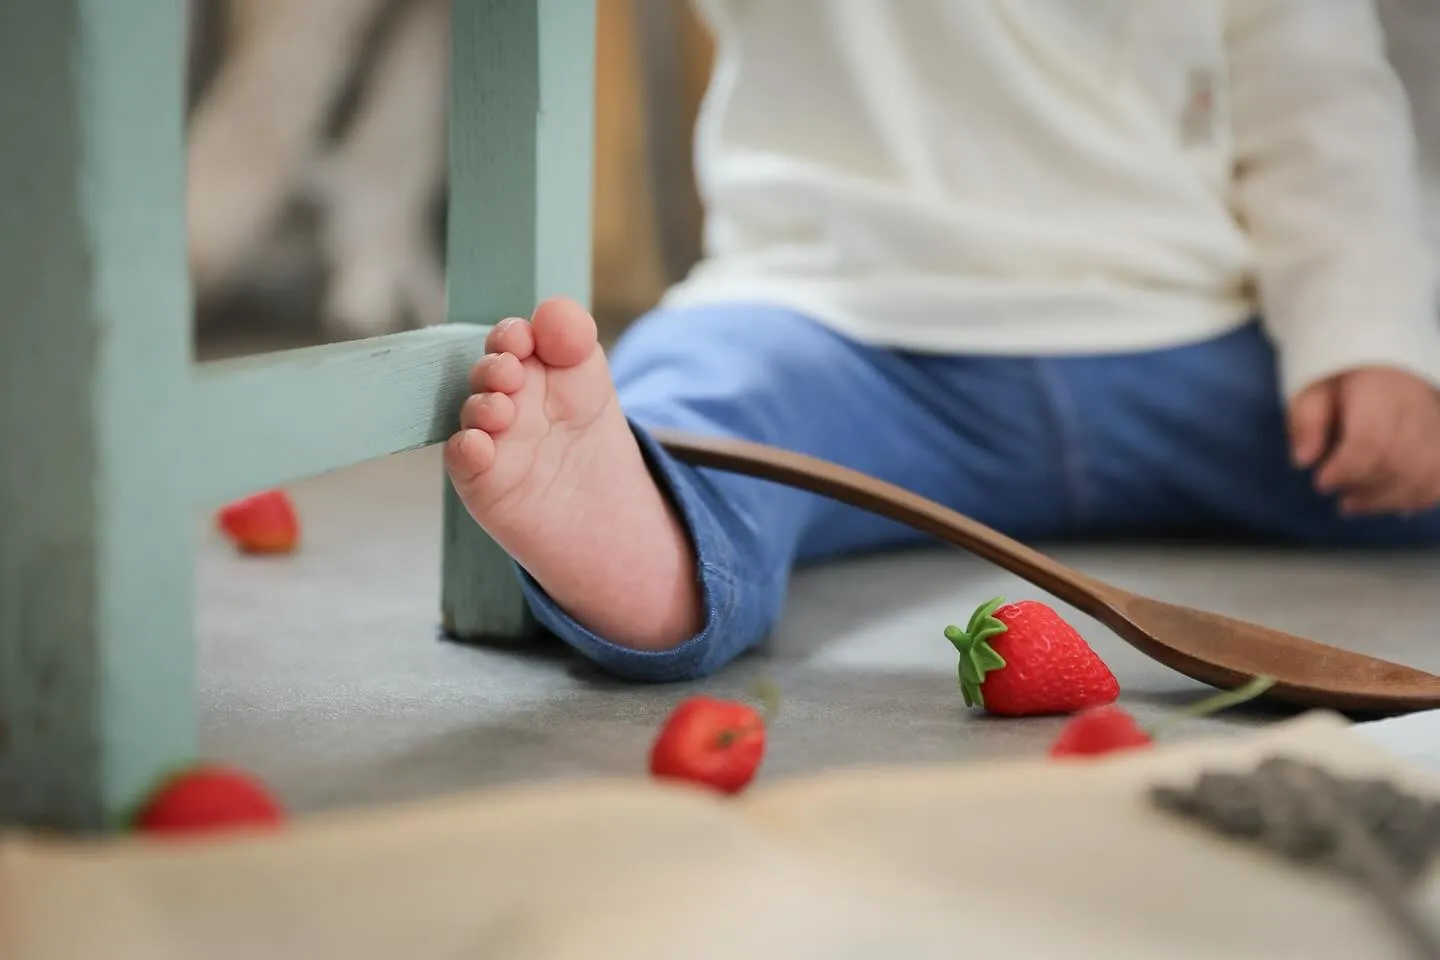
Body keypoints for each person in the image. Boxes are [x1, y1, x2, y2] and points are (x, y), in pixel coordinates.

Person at [442, 0, 1440, 682]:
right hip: (840, 315)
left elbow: (1313, 83)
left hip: (1194, 327)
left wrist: (1369, 333)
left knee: (1402, 416)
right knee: (703, 405)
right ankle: (659, 538)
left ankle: (674, 495)